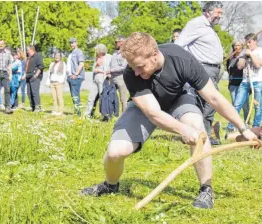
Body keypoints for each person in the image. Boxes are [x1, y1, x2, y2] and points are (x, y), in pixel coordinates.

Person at [81, 32, 258, 209]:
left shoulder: (181, 59)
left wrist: (243, 129)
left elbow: (214, 97)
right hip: (147, 106)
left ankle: (206, 189)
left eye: (140, 66)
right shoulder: (131, 73)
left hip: (179, 98)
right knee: (115, 152)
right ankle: (111, 185)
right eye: (133, 67)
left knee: (197, 128)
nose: (135, 71)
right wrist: (182, 130)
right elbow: (154, 113)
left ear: (155, 55)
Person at [175, 1, 224, 145]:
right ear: (208, 11)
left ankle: (201, 134)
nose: (220, 16)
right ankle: (201, 134)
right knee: (211, 101)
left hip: (213, 69)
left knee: (206, 102)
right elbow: (179, 45)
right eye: (218, 12)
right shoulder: (196, 24)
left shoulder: (209, 27)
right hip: (204, 68)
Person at [227, 33, 262, 131]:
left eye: (249, 42)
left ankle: (255, 127)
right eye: (246, 43)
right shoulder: (244, 53)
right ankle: (231, 126)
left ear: (255, 41)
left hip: (258, 81)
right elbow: (239, 66)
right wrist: (244, 56)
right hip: (245, 81)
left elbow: (257, 65)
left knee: (258, 106)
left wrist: (251, 54)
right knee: (237, 104)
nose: (248, 45)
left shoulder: (260, 51)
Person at [226, 40, 249, 128]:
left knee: (245, 105)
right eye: (235, 45)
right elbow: (228, 70)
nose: (237, 47)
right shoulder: (231, 58)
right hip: (233, 83)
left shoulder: (244, 57)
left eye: (239, 45)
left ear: (242, 46)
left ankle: (246, 122)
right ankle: (236, 124)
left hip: (243, 84)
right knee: (235, 104)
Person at [85, 44, 112, 117]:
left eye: (97, 50)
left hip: (103, 80)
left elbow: (111, 68)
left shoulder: (109, 57)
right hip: (95, 80)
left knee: (103, 98)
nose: (96, 52)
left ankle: (105, 115)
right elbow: (93, 69)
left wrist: (101, 71)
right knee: (91, 98)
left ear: (101, 50)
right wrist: (96, 70)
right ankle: (87, 114)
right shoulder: (96, 58)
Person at [106, 36, 129, 114]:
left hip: (121, 77)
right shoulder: (114, 53)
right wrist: (108, 72)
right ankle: (110, 114)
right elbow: (111, 64)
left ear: (122, 42)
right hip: (112, 77)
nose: (115, 43)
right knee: (109, 96)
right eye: (115, 42)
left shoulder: (125, 53)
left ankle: (124, 115)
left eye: (117, 42)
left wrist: (112, 70)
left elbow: (124, 67)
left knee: (123, 98)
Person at [67, 37, 85, 116]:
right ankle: (77, 111)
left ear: (76, 43)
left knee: (75, 95)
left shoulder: (79, 52)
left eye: (73, 42)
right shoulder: (71, 53)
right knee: (73, 95)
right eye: (70, 43)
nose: (71, 44)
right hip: (71, 76)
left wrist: (76, 74)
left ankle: (78, 113)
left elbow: (81, 64)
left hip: (76, 77)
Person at [23, 45, 44, 112]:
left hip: (35, 77)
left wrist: (36, 75)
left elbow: (41, 66)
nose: (27, 51)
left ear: (32, 49)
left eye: (27, 50)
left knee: (35, 92)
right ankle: (33, 107)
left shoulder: (37, 56)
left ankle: (38, 107)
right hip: (28, 77)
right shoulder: (29, 57)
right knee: (29, 93)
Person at [46, 51, 66, 116]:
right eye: (56, 55)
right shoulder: (52, 64)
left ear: (60, 57)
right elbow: (49, 73)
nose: (57, 56)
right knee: (54, 98)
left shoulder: (63, 64)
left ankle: (60, 111)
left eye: (58, 55)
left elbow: (64, 73)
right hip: (52, 82)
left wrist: (61, 81)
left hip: (59, 83)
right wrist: (49, 81)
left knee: (59, 97)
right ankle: (55, 110)